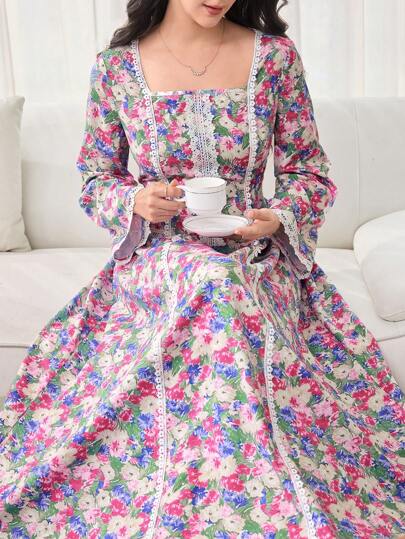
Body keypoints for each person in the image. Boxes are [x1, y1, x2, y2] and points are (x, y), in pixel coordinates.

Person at [0, 0, 404, 537]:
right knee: (213, 282)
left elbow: (309, 172)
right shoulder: (116, 69)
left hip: (255, 257)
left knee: (223, 282)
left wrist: (276, 218)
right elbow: (96, 179)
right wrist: (136, 201)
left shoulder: (275, 58)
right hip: (160, 258)